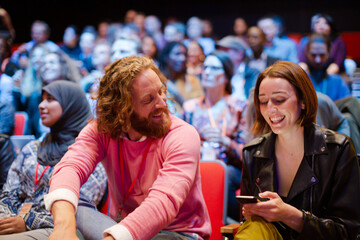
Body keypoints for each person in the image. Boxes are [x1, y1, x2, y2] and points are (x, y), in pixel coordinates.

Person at [44, 56, 211, 240]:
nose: (163, 103)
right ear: (123, 108)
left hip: (176, 233)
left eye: (161, 91)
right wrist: (63, 228)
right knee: (71, 203)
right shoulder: (102, 129)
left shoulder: (182, 134)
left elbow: (163, 203)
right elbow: (70, 167)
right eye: (149, 99)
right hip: (119, 228)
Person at [237, 61, 360, 240]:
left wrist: (289, 215)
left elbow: (346, 232)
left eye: (279, 100)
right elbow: (246, 222)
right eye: (263, 101)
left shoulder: (338, 149)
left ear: (302, 101)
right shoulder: (252, 152)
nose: (270, 109)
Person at [0, 80, 107, 240]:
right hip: (14, 222)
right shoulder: (32, 148)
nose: (41, 105)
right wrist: (5, 218)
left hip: (60, 228)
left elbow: (81, 210)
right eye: (42, 99)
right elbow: (9, 191)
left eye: (50, 99)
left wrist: (27, 222)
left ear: (71, 106)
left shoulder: (89, 155)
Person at [182, 50, 247, 221]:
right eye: (206, 67)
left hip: (228, 166)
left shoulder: (239, 107)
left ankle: (225, 225)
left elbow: (248, 153)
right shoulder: (190, 108)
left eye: (214, 68)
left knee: (223, 174)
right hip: (196, 163)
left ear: (226, 77)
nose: (207, 72)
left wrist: (225, 141)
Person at [304, 33, 350, 101]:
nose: (318, 60)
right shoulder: (300, 81)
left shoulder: (338, 82)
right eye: (313, 55)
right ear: (307, 53)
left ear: (329, 53)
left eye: (322, 55)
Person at [159, 41, 204, 112]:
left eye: (185, 55)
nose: (182, 58)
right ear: (166, 57)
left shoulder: (192, 80)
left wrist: (176, 94)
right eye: (177, 54)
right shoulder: (157, 80)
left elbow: (198, 109)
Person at [216, 35, 260, 100]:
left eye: (225, 50)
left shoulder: (253, 73)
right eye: (220, 50)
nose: (221, 54)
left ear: (240, 54)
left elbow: (253, 100)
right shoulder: (218, 72)